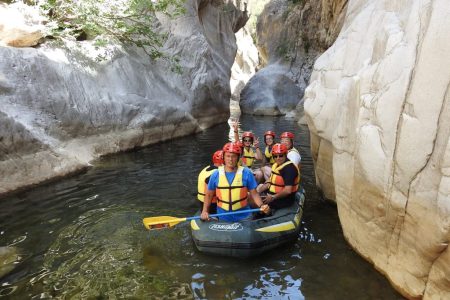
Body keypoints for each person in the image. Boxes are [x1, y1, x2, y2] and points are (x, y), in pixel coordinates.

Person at [201, 142, 270, 222]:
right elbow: (209, 195)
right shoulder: (215, 174)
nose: (230, 159)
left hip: (244, 215)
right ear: (223, 157)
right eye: (228, 156)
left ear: (238, 158)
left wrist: (261, 205)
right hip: (223, 216)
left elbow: (254, 193)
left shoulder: (246, 173)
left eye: (233, 156)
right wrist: (204, 211)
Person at [259, 143, 300, 209]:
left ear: (285, 155)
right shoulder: (276, 165)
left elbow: (288, 191)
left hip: (284, 199)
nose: (278, 158)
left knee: (254, 203)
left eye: (280, 155)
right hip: (272, 194)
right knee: (257, 191)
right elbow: (270, 181)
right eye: (275, 156)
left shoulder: (289, 169)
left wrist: (273, 197)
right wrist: (258, 192)